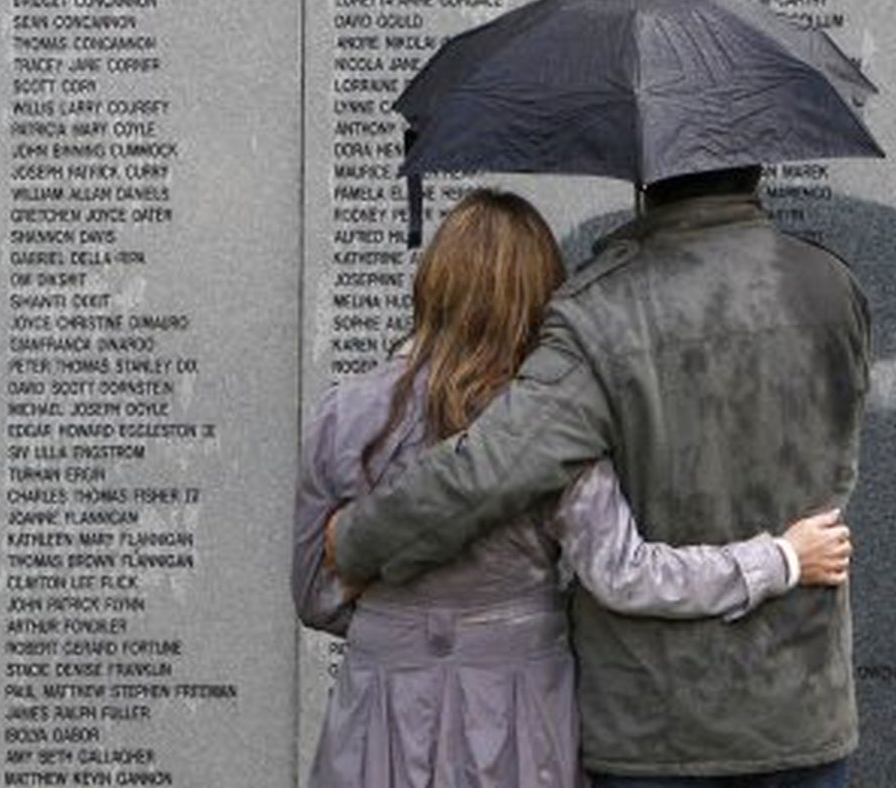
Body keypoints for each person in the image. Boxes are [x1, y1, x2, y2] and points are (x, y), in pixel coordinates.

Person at [294, 187, 854, 788]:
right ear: (538, 296)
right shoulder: (552, 425)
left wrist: (402, 621)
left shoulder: (343, 415)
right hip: (515, 712)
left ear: (432, 282)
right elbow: (624, 575)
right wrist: (780, 559)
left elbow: (315, 597)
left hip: (379, 709)